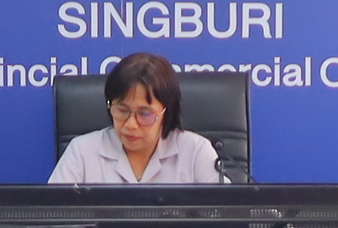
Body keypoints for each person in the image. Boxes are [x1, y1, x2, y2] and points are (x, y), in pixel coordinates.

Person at [50, 52, 225, 184]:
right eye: (122, 110)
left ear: (166, 111)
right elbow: (55, 215)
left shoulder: (195, 151)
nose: (131, 124)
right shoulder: (82, 151)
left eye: (144, 113)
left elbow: (226, 214)